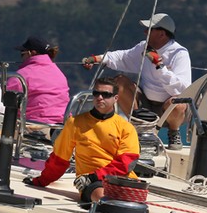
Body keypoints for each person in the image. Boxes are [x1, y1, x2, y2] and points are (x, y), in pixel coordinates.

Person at [82, 12, 192, 150]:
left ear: (162, 34)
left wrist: (159, 66)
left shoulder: (179, 53)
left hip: (169, 108)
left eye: (150, 29)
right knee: (120, 82)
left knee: (178, 103)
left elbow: (182, 89)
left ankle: (174, 132)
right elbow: (122, 58)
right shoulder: (144, 47)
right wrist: (97, 59)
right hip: (145, 104)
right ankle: (138, 128)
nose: (145, 32)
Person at [24, 77, 140, 205]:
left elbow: (127, 163)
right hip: (91, 183)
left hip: (121, 180)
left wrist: (95, 175)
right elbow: (59, 159)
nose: (100, 97)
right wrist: (40, 181)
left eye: (106, 94)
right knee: (104, 198)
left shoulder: (126, 128)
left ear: (116, 98)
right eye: (96, 93)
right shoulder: (75, 123)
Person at [6, 36, 69, 131]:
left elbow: (5, 100)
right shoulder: (59, 73)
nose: (21, 58)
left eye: (22, 54)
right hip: (63, 127)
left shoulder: (21, 76)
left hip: (37, 127)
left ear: (31, 53)